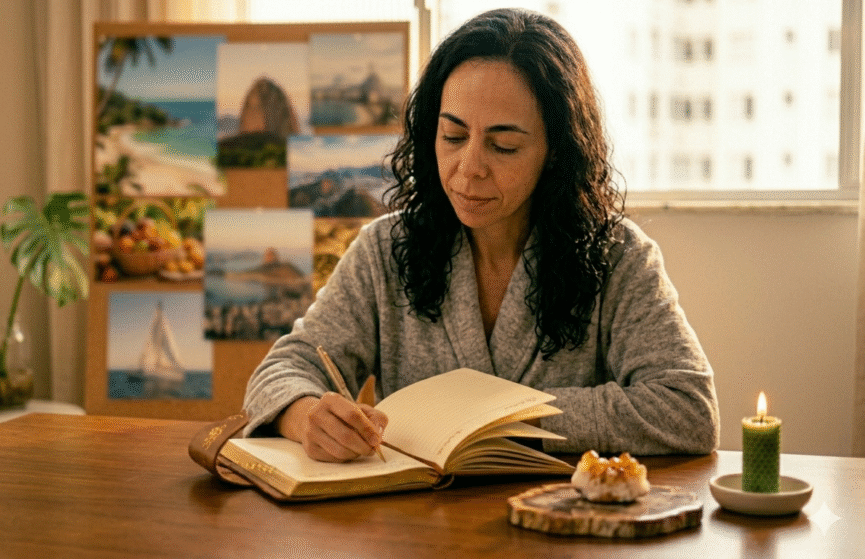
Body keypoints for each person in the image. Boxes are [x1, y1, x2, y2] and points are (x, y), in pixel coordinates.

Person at [242, 8, 720, 462]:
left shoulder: (618, 258)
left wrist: (490, 418)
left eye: (504, 145)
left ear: (556, 151)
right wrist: (305, 416)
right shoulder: (384, 251)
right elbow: (282, 371)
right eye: (452, 137)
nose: (469, 169)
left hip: (562, 529)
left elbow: (688, 409)